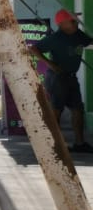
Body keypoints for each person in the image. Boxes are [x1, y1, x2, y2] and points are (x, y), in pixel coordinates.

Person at [28, 9, 93, 153]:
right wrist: (50, 64)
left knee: (78, 110)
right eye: (73, 20)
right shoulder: (56, 38)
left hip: (71, 77)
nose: (76, 22)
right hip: (57, 78)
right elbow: (33, 49)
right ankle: (54, 144)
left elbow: (90, 41)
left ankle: (79, 143)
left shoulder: (78, 35)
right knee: (56, 110)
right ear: (62, 23)